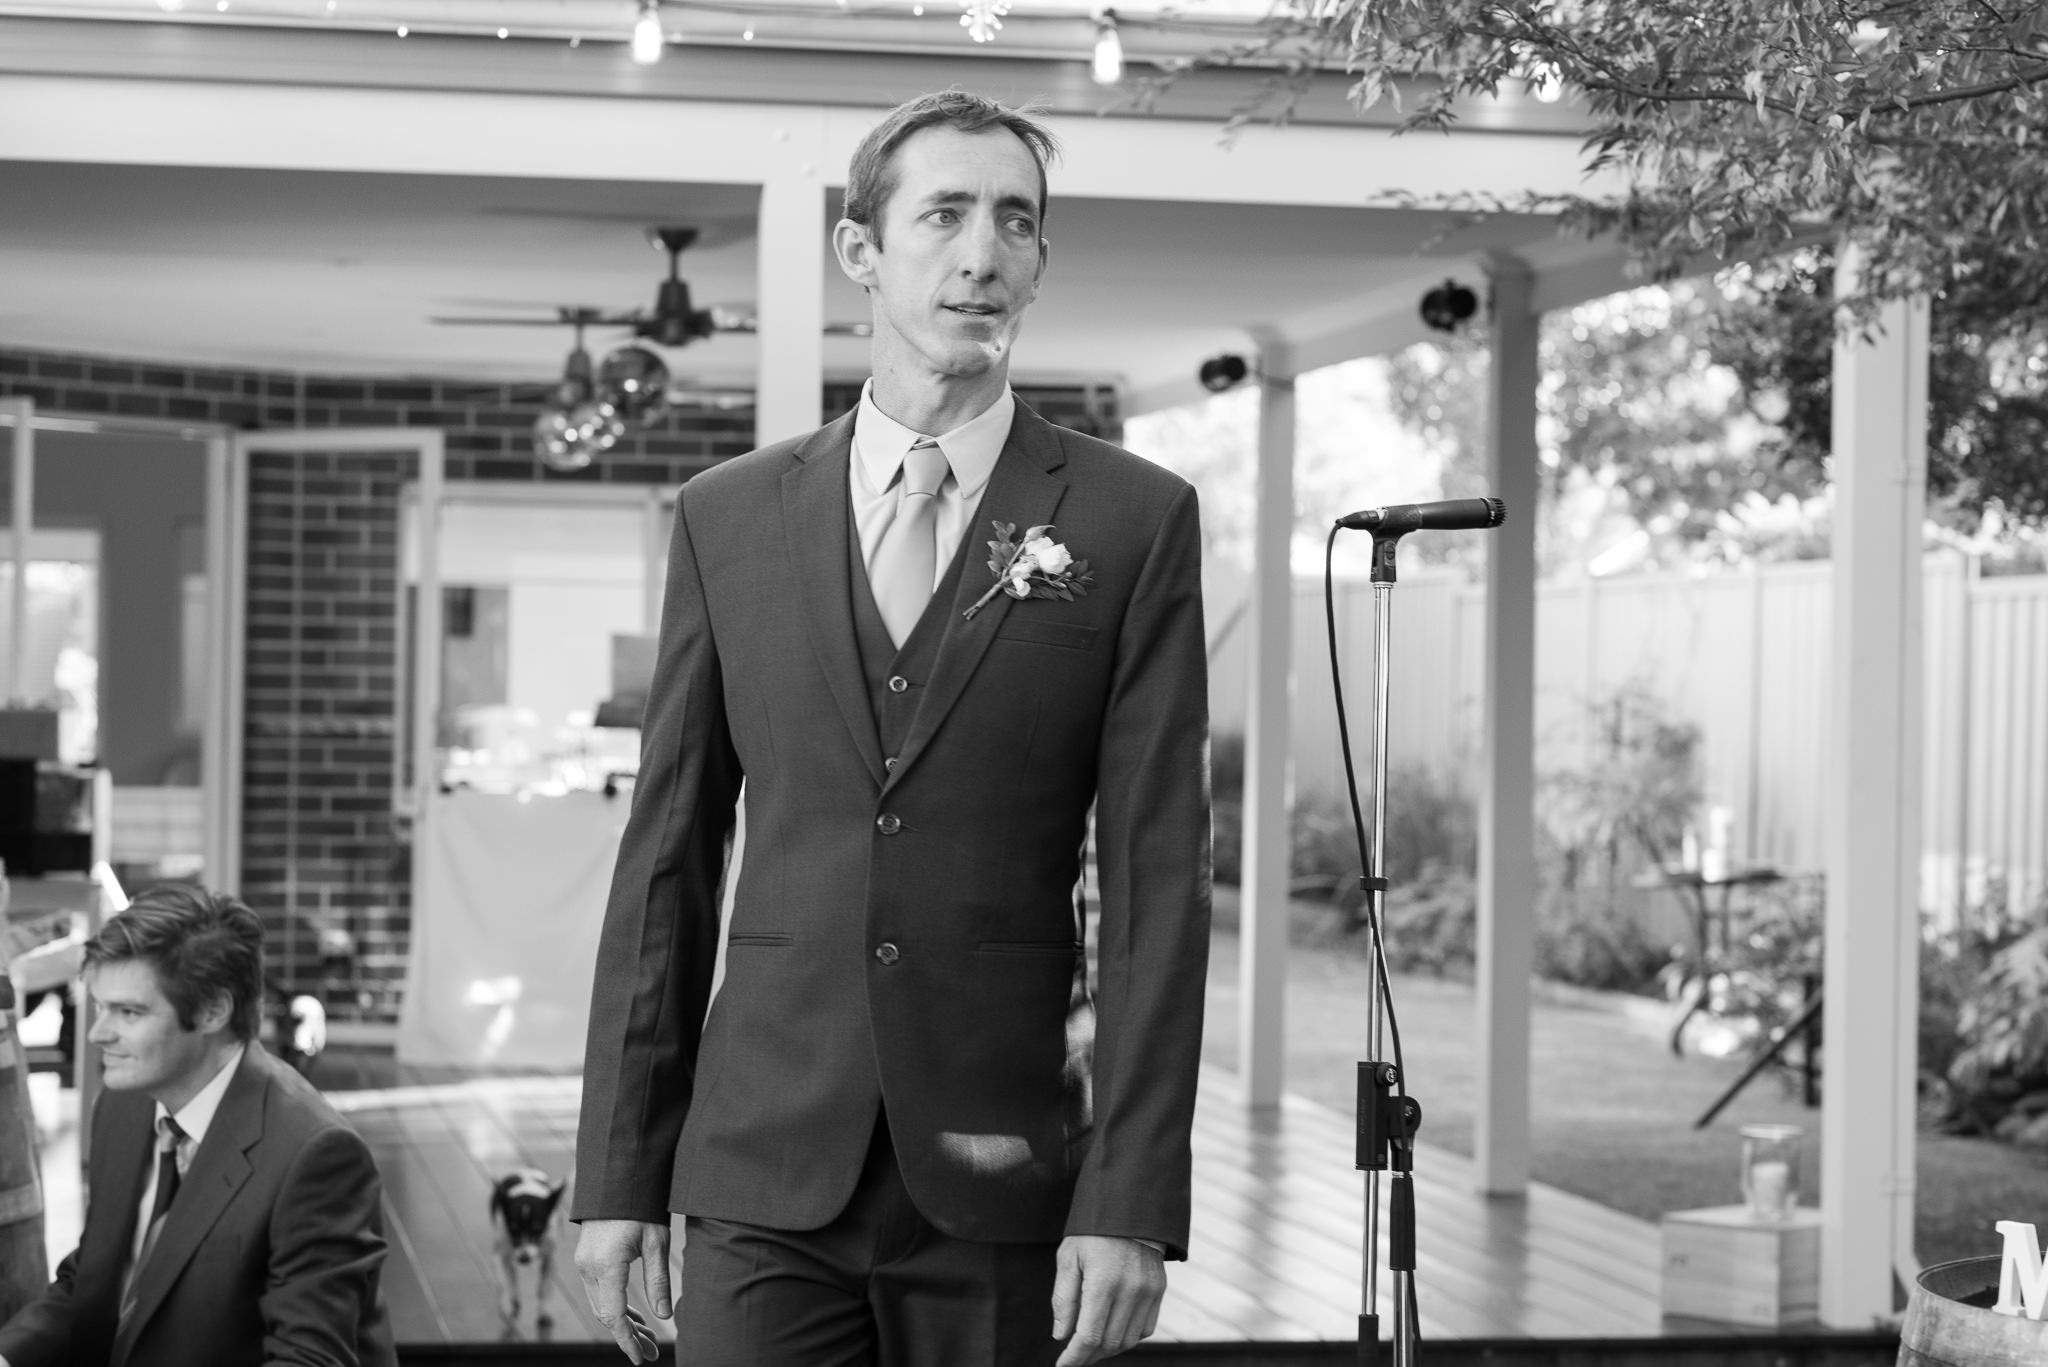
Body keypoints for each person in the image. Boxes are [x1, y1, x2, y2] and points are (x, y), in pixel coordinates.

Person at [574, 89, 1212, 1367]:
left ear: (1038, 260)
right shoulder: (727, 516)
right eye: (945, 214)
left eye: (1015, 222)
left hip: (1000, 1170)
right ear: (861, 251)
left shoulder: (1134, 520)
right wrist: (617, 1171)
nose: (982, 252)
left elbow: (1155, 881)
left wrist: (1128, 1200)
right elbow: (666, 865)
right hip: (759, 1166)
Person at [0, 884, 396, 1367]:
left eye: (129, 1012)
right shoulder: (122, 1105)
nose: (97, 1033)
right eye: (99, 1007)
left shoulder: (316, 1154)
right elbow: (95, 1280)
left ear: (213, 1010)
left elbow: (308, 1358)